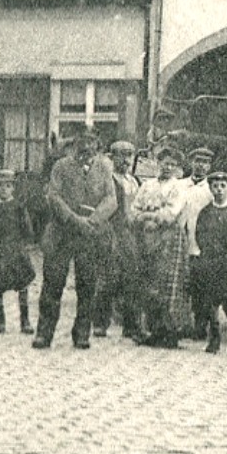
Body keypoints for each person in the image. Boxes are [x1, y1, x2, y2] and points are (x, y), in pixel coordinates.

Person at [36, 132, 117, 350]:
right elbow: (54, 196)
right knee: (53, 283)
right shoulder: (61, 167)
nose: (86, 154)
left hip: (89, 236)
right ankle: (44, 333)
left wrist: (93, 220)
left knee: (87, 285)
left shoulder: (104, 168)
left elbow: (111, 200)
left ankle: (82, 334)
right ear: (74, 148)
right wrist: (74, 220)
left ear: (97, 150)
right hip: (61, 233)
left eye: (91, 150)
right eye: (82, 149)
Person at [133, 147, 192, 347]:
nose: (168, 167)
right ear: (158, 163)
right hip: (147, 236)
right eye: (165, 163)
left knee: (169, 284)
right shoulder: (148, 185)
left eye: (172, 165)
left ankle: (170, 331)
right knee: (150, 282)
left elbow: (172, 212)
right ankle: (151, 328)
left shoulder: (179, 187)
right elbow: (135, 207)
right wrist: (143, 218)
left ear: (177, 168)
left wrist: (153, 218)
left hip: (169, 238)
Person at [93, 140, 144, 341]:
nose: (125, 160)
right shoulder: (108, 181)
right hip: (113, 233)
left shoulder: (135, 181)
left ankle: (131, 325)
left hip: (132, 234)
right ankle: (100, 322)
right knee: (109, 278)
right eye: (121, 156)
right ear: (112, 158)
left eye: (129, 156)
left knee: (132, 279)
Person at [193, 170, 227, 355]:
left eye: (223, 186)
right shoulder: (206, 212)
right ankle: (214, 340)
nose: (219, 190)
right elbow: (199, 235)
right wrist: (210, 252)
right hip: (211, 264)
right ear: (210, 188)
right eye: (215, 186)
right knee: (212, 303)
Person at [0, 169, 36, 335]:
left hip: (16, 249)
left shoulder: (18, 207)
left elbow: (27, 229)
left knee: (23, 283)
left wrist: (24, 243)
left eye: (8, 186)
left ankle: (25, 320)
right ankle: (0, 319)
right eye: (1, 186)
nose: (4, 189)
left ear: (13, 189)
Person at [180, 146, 217, 340]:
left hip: (199, 240)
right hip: (179, 240)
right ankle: (180, 322)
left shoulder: (211, 189)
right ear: (191, 163)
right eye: (197, 161)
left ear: (209, 166)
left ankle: (200, 325)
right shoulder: (180, 185)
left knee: (200, 283)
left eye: (205, 162)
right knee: (180, 282)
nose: (200, 166)